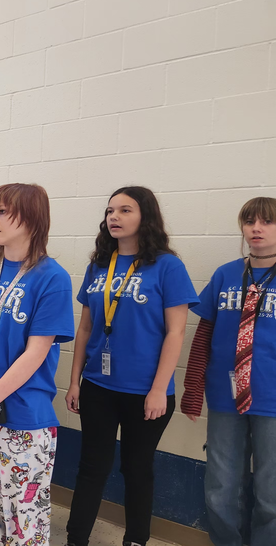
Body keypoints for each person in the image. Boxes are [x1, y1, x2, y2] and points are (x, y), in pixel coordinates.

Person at [64, 187, 197, 546]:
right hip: (98, 387)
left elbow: (176, 332)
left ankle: (136, 539)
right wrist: (75, 381)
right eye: (110, 210)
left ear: (146, 217)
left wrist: (159, 389)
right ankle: (76, 539)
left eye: (125, 210)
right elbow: (86, 327)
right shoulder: (99, 265)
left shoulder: (167, 266)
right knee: (92, 468)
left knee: (137, 470)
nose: (114, 217)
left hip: (146, 393)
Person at [0, 183, 74, 546]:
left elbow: (35, 354)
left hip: (21, 418)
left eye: (2, 211)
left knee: (25, 524)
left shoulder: (53, 277)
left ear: (33, 218)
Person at [181, 197, 276, 546]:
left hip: (273, 398)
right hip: (225, 396)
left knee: (271, 494)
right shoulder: (226, 274)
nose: (256, 228)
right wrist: (193, 390)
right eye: (249, 221)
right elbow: (204, 334)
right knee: (221, 487)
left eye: (267, 221)